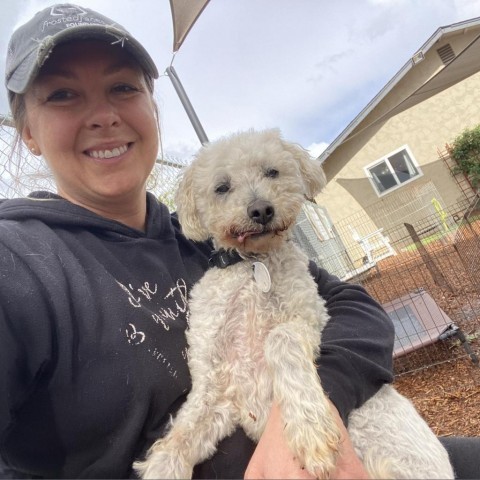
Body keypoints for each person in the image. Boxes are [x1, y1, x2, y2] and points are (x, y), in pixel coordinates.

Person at [0, 4, 471, 479]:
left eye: (123, 87)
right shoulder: (16, 262)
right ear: (28, 134)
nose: (103, 115)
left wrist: (316, 401)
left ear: (151, 106)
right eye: (62, 94)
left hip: (348, 446)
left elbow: (358, 310)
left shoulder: (225, 245)